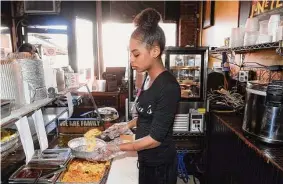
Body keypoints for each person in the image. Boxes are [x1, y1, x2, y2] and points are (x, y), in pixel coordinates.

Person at [96, 8, 181, 184]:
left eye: (136, 54)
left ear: (155, 51)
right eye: (130, 54)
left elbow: (155, 140)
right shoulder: (148, 78)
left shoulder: (169, 87)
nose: (131, 59)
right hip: (146, 160)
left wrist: (116, 148)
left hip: (160, 165)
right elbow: (147, 113)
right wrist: (125, 126)